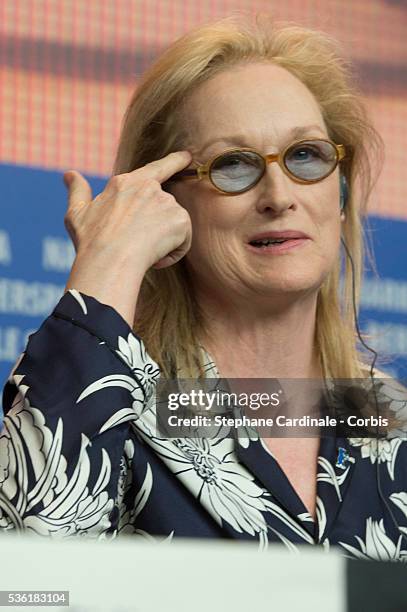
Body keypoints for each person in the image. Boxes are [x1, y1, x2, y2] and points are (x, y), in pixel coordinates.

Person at [1, 15, 407, 558]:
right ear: (167, 200)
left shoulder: (387, 416)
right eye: (233, 165)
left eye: (306, 155)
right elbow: (28, 579)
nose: (279, 195)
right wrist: (108, 266)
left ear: (340, 189)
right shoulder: (112, 406)